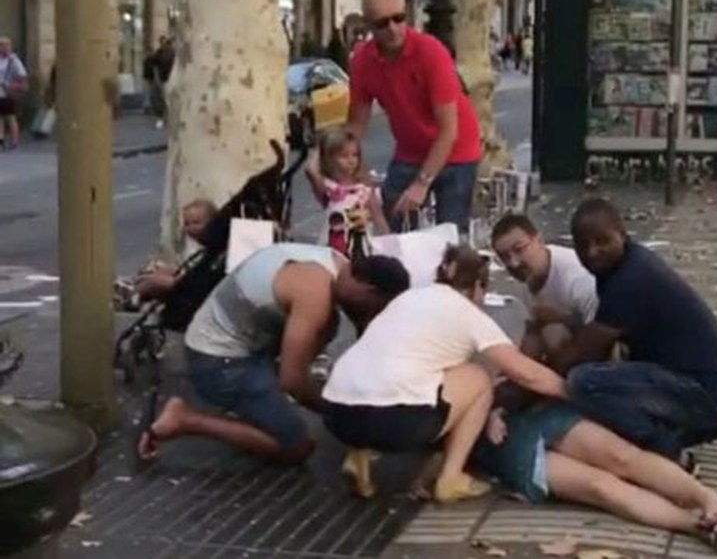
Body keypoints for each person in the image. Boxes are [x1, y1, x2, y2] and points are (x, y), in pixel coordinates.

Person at [321, 245, 568, 503]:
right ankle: (451, 479)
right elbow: (525, 373)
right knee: (479, 378)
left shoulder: (407, 299)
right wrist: (572, 391)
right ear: (477, 287)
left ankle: (358, 457)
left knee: (382, 375)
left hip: (336, 413)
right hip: (394, 422)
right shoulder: (467, 313)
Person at [136, 244, 410, 465]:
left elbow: (361, 326)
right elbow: (292, 382)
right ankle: (184, 419)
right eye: (373, 307)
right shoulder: (314, 295)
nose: (370, 315)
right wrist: (340, 414)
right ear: (368, 290)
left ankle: (256, 405)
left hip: (237, 339)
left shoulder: (338, 263)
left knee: (328, 326)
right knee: (297, 447)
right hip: (217, 362)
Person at [560, 198, 717, 469]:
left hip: (702, 392)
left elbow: (584, 352)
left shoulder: (630, 280)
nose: (592, 252)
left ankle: (670, 452)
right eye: (583, 246)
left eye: (602, 241)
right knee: (611, 369)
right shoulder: (632, 261)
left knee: (584, 382)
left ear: (623, 233)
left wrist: (527, 381)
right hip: (716, 384)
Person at [473, 398, 717, 552]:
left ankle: (707, 499)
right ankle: (696, 525)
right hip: (504, 440)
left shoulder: (512, 310)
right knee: (600, 486)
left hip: (538, 409)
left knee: (623, 457)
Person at [346, 0, 481, 234]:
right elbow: (356, 126)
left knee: (449, 234)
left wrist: (422, 184)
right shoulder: (363, 61)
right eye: (382, 23)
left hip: (457, 149)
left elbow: (448, 130)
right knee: (393, 214)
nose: (393, 29)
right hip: (411, 150)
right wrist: (341, 164)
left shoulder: (430, 52)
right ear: (368, 25)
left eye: (399, 18)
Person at [491, 213, 597, 363]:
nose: (513, 263)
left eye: (519, 249)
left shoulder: (577, 278)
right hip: (578, 337)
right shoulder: (529, 273)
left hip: (605, 347)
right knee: (550, 332)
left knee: (554, 333)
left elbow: (602, 334)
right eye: (504, 257)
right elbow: (532, 331)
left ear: (539, 240)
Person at [305, 128, 389, 259]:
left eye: (355, 155)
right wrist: (321, 146)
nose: (351, 160)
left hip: (359, 245)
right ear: (330, 158)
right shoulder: (328, 187)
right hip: (332, 244)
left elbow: (378, 218)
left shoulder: (363, 189)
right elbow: (310, 169)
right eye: (344, 156)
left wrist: (390, 243)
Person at [132, 199, 218, 303]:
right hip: (190, 282)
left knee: (154, 281)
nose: (190, 228)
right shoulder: (199, 246)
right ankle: (135, 294)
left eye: (196, 223)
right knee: (158, 271)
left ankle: (132, 296)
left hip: (197, 289)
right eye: (187, 224)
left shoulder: (215, 245)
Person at [0, 37, 28, 151]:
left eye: (5, 45)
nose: (4, 48)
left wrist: (12, 85)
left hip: (8, 91)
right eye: (2, 46)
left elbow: (22, 77)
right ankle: (1, 139)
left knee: (10, 116)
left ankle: (14, 140)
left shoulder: (13, 60)